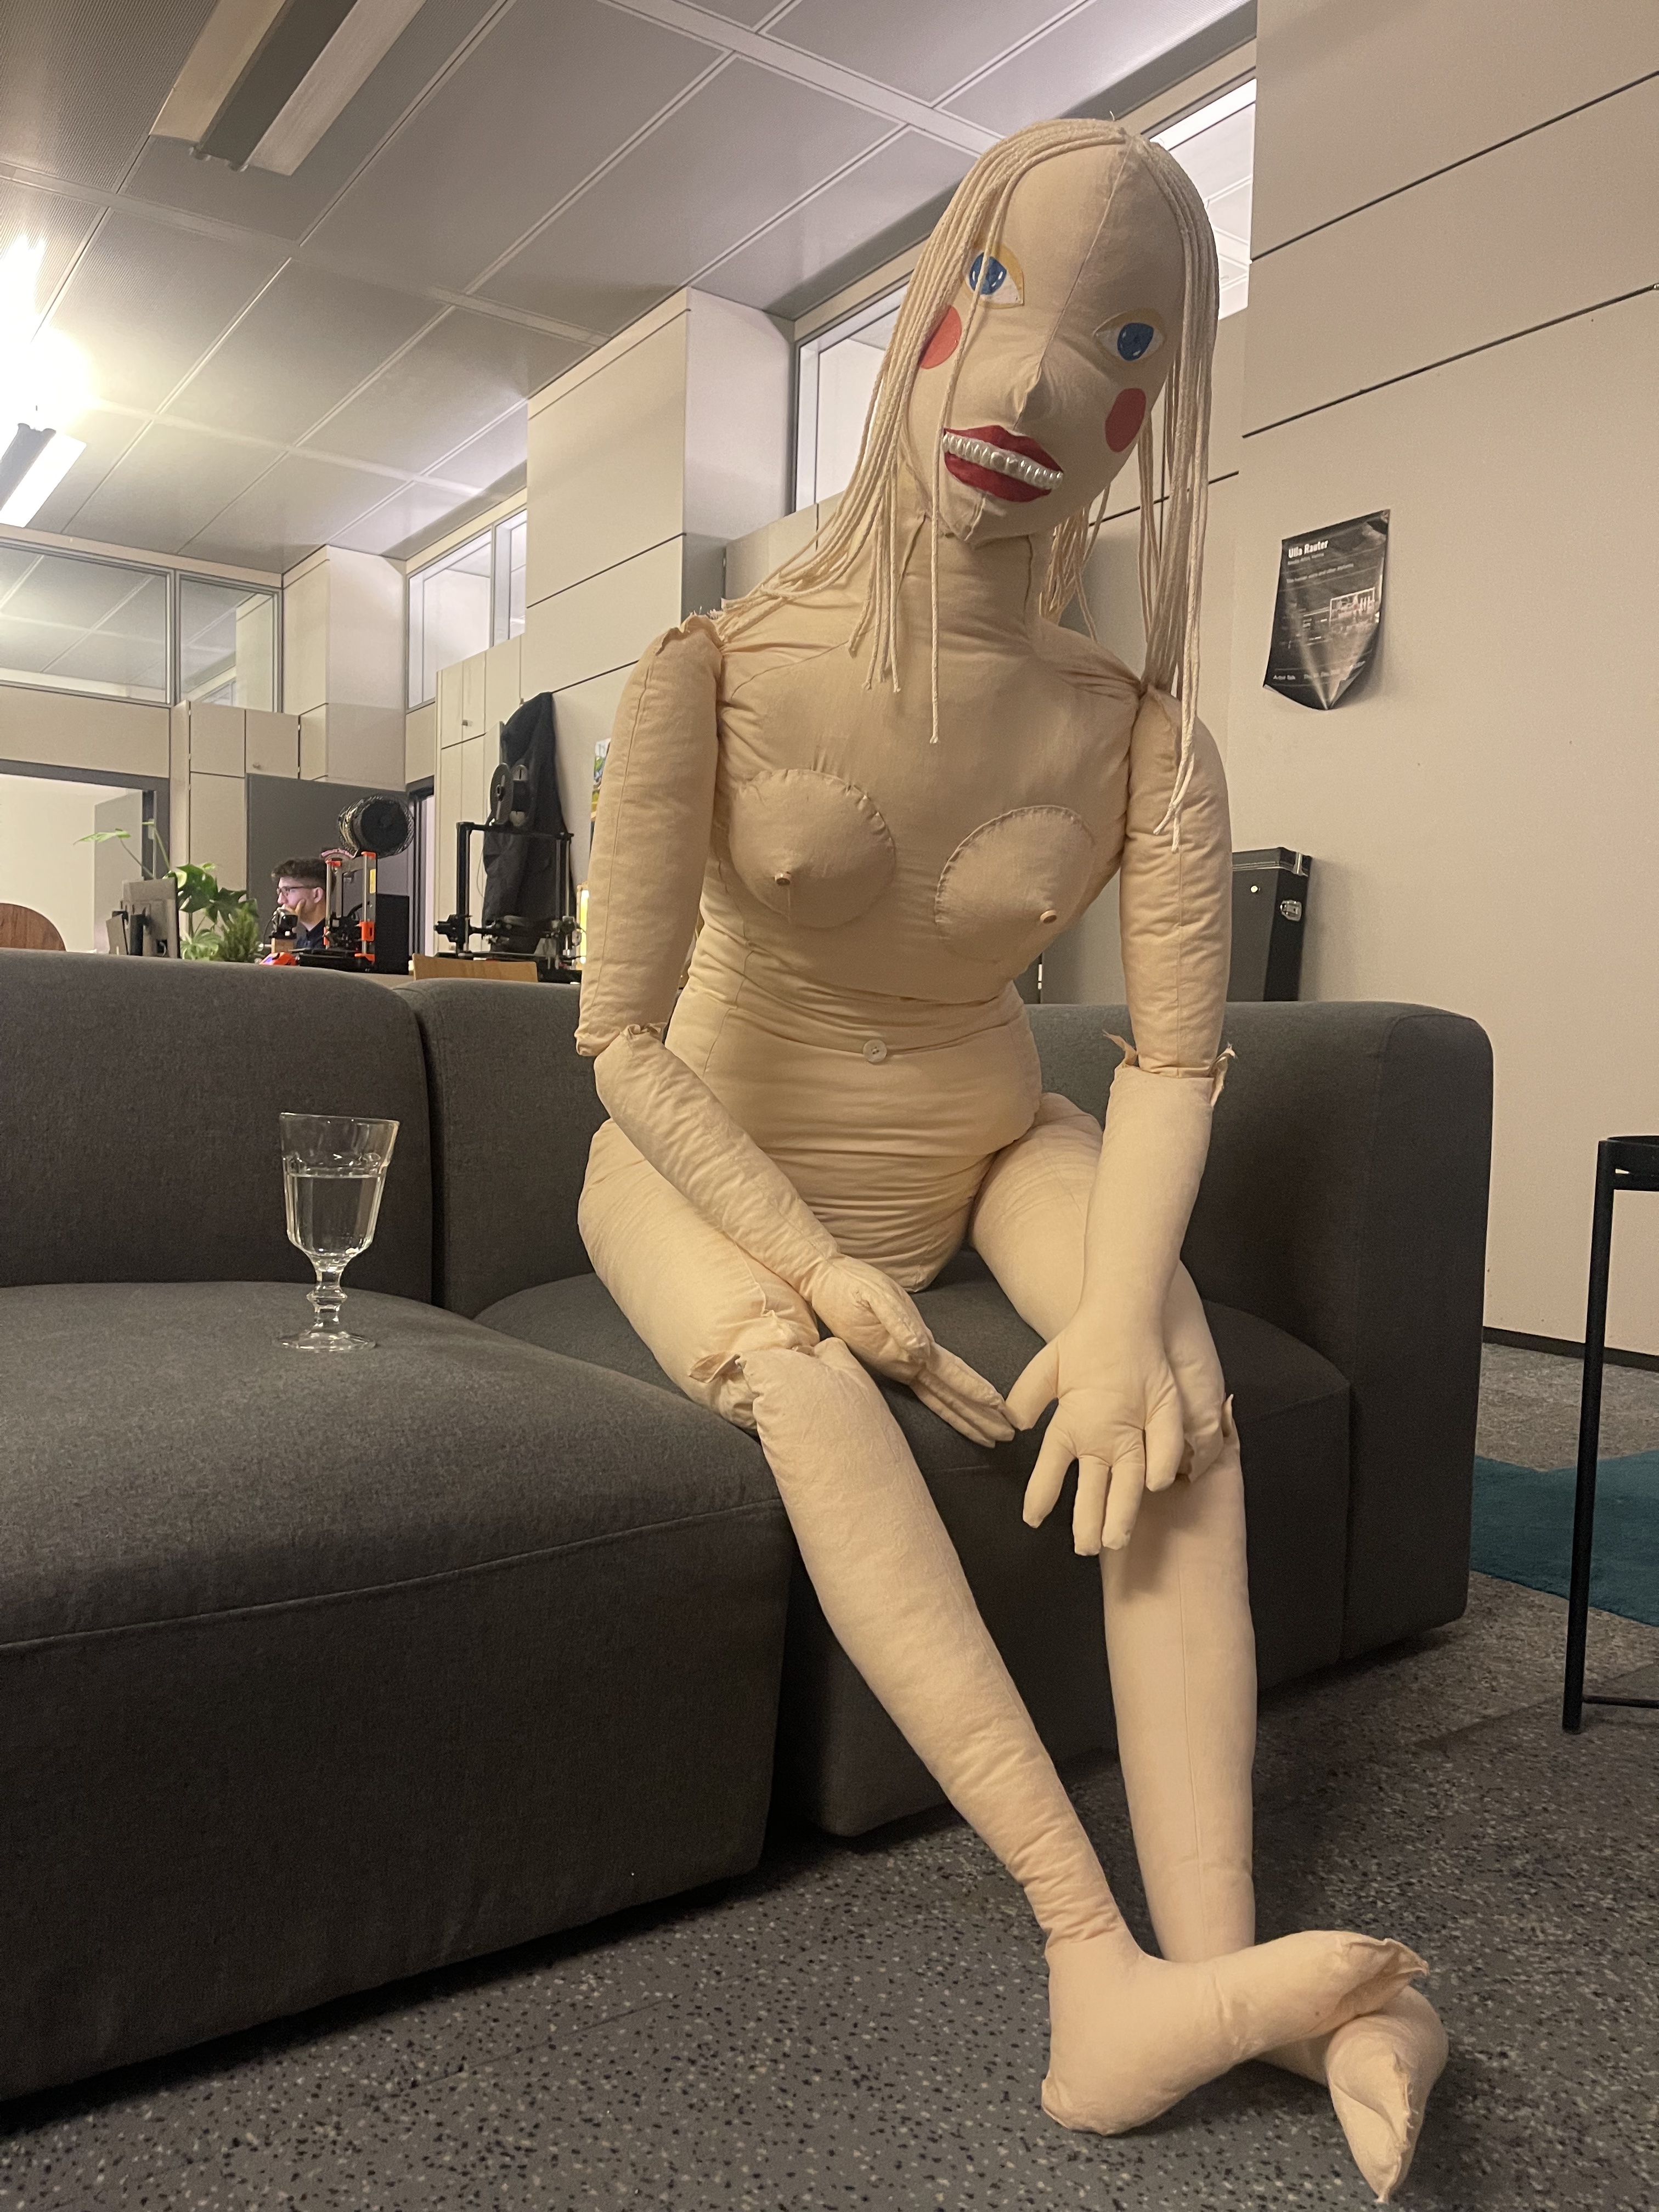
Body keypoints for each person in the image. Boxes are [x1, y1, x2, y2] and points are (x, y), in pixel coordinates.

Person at [574, 117, 1445, 2198]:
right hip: (712, 1162)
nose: (1041, 383)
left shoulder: (1134, 727)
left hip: (987, 1142)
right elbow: (615, 1039)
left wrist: (1128, 1312)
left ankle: (1217, 1967)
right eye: (995, 295)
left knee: (1169, 1386)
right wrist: (815, 1266)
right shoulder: (712, 665)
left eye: (1122, 350)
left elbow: (1172, 1060)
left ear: (1148, 414)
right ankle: (1090, 1959)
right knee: (802, 1380)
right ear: (920, 314)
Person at [273, 859, 328, 953]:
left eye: (287, 890)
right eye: (280, 891)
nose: (280, 900)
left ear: (316, 895)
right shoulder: (302, 942)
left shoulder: (334, 942)